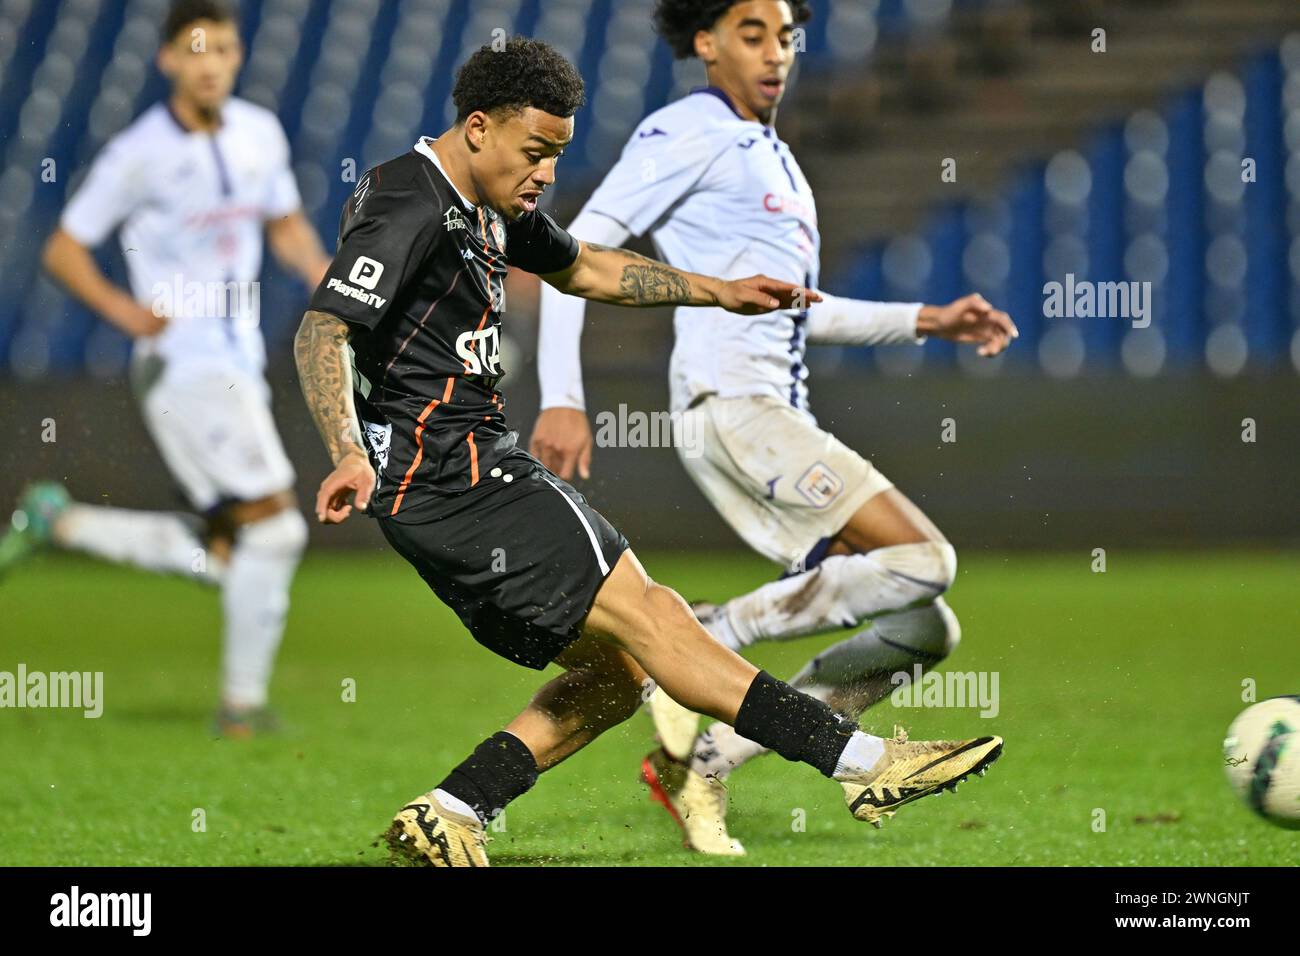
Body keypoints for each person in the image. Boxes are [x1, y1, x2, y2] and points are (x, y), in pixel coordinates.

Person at [294, 36, 1002, 867]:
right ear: (478, 127)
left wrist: (719, 291)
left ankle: (453, 808)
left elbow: (587, 268)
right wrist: (345, 448)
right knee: (658, 619)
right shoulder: (410, 199)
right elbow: (324, 326)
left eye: (556, 155)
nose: (546, 174)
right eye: (535, 152)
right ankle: (865, 764)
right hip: (464, 472)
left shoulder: (484, 204)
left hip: (432, 498)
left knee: (619, 675)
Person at [530, 0, 1018, 854]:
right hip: (734, 407)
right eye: (751, 33)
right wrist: (562, 396)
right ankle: (709, 635)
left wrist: (925, 319)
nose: (775, 52)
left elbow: (795, 314)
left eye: (786, 35)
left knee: (921, 627)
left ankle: (708, 757)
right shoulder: (688, 128)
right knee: (925, 561)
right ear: (706, 44)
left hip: (765, 408)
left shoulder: (772, 158)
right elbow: (576, 251)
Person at [0, 0, 332, 736]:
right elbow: (63, 248)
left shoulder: (259, 133)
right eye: (195, 49)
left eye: (223, 50)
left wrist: (321, 274)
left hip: (236, 356)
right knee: (276, 532)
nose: (210, 63)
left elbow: (281, 220)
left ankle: (66, 524)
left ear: (238, 57)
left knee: (230, 552)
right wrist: (127, 314)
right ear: (169, 61)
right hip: (184, 365)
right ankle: (241, 708)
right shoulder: (138, 152)